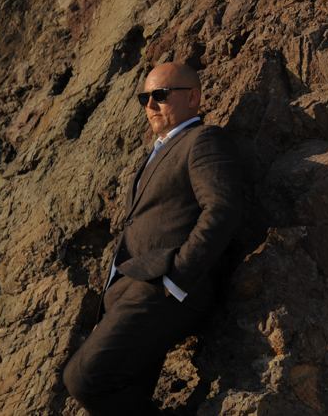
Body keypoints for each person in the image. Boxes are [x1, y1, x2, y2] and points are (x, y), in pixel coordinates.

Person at [64, 62, 243, 415]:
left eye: (160, 96)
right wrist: (111, 304)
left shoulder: (203, 139)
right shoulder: (154, 155)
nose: (150, 106)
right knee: (123, 387)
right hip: (131, 291)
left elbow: (222, 210)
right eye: (144, 97)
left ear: (193, 98)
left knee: (84, 377)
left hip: (165, 288)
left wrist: (177, 279)